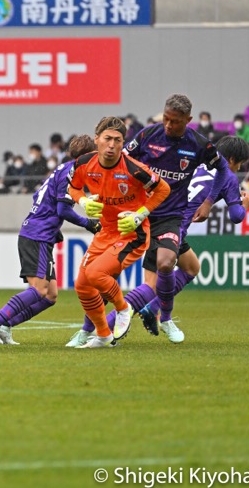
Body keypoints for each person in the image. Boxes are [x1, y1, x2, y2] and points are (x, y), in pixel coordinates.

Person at [122, 94, 232, 344]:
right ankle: (113, 323)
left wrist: (208, 202)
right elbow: (124, 161)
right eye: (166, 119)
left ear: (189, 120)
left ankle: (154, 316)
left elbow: (223, 168)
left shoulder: (198, 144)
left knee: (181, 267)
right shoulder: (148, 135)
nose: (169, 125)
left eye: (176, 122)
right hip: (141, 216)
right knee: (160, 276)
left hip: (172, 217)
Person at [0, 134, 102, 346]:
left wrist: (54, 227)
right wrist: (88, 223)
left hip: (41, 234)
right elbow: (63, 209)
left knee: (50, 295)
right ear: (87, 156)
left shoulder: (62, 170)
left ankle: (7, 326)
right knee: (39, 290)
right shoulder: (71, 173)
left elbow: (40, 199)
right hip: (36, 235)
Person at [68, 117, 170, 349]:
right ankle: (104, 336)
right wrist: (82, 201)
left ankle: (123, 308)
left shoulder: (134, 169)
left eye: (118, 140)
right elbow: (72, 187)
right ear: (97, 140)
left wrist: (140, 214)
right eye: (107, 139)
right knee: (82, 284)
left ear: (123, 143)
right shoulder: (84, 163)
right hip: (105, 232)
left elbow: (163, 188)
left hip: (132, 234)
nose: (112, 145)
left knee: (95, 273)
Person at [136, 136, 249, 328]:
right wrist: (245, 205)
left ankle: (151, 309)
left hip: (159, 218)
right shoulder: (228, 177)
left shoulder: (198, 165)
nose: (239, 168)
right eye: (239, 163)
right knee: (151, 287)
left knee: (191, 267)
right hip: (173, 228)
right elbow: (236, 216)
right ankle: (112, 321)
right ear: (231, 160)